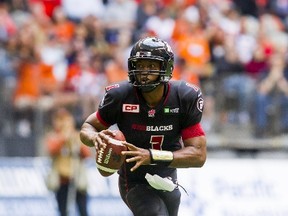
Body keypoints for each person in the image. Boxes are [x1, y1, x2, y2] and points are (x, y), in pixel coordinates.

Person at [80, 37, 207, 216]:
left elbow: (198, 155)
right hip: (134, 180)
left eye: (151, 66)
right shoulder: (120, 95)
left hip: (167, 178)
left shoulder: (184, 97)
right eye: (140, 65)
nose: (144, 72)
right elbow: (87, 127)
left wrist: (151, 156)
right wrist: (95, 138)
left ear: (166, 68)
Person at [46, 107, 91, 216]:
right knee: (63, 211)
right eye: (59, 119)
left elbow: (87, 154)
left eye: (65, 119)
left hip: (77, 181)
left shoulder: (77, 136)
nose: (62, 123)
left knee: (83, 211)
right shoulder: (53, 136)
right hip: (62, 182)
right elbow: (51, 150)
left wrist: (75, 140)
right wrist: (64, 137)